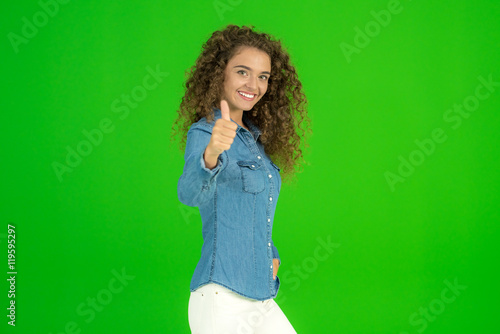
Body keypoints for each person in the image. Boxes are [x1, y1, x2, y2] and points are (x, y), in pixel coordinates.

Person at [171, 24, 311, 334]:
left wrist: (270, 253)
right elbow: (190, 194)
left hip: (261, 297)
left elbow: (252, 210)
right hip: (221, 297)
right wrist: (211, 154)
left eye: (263, 76)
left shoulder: (256, 141)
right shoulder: (206, 132)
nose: (254, 84)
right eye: (242, 72)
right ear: (219, 73)